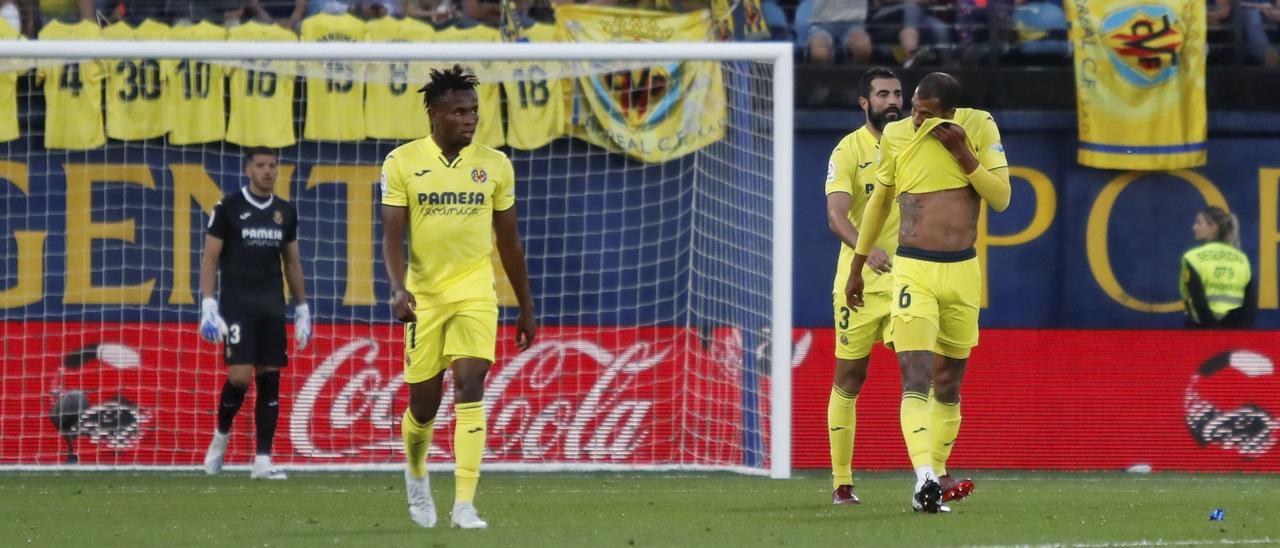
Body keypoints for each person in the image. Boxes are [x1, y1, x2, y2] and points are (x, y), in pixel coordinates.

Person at [380, 64, 537, 530]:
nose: (469, 119)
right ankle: (415, 471)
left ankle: (464, 503)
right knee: (423, 407)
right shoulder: (402, 162)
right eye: (458, 112)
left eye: (473, 111)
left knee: (471, 384)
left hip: (475, 293)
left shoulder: (496, 165)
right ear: (434, 115)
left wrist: (526, 306)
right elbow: (391, 234)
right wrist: (396, 287)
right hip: (424, 296)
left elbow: (509, 242)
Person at [846, 72, 1009, 513]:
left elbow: (1001, 198)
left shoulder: (978, 127)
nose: (915, 116)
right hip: (914, 271)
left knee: (949, 383)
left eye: (926, 112)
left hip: (962, 273)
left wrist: (963, 153)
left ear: (950, 113)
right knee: (914, 377)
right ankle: (923, 477)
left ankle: (935, 474)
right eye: (914, 106)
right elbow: (881, 201)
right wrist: (857, 267)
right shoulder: (897, 135)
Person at [199, 147, 312, 481]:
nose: (267, 171)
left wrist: (302, 308)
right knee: (240, 377)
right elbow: (209, 258)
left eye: (273, 166)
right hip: (237, 306)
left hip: (272, 306)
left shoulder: (284, 212)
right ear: (249, 169)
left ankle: (262, 459)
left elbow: (292, 262)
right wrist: (208, 303)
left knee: (270, 378)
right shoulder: (228, 208)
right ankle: (221, 436)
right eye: (261, 165)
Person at [823, 67, 903, 505]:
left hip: (909, 281)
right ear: (864, 103)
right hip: (857, 285)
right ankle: (841, 481)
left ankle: (930, 475)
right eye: (883, 94)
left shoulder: (913, 144)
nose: (892, 100)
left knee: (919, 370)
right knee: (851, 378)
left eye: (897, 93)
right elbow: (836, 215)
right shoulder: (848, 150)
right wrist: (865, 250)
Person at [1181, 206, 1255, 329]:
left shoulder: (1193, 257)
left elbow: (1197, 300)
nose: (1194, 227)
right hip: (1235, 331)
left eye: (1199, 223)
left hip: (1202, 329)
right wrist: (1242, 332)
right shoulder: (1242, 259)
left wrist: (1213, 332)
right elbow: (1250, 303)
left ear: (1214, 228)